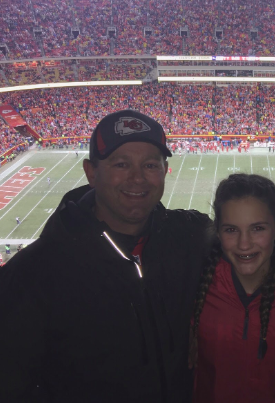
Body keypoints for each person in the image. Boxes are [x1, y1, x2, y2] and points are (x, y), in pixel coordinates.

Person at [0, 110, 213, 403]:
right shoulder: (34, 273)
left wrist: (206, 332)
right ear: (91, 172)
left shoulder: (191, 239)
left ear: (165, 171)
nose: (138, 178)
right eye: (121, 164)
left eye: (150, 164)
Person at [190, 174, 275, 403]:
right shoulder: (197, 281)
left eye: (257, 228)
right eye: (231, 230)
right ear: (217, 231)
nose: (244, 244)